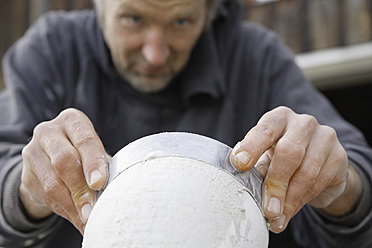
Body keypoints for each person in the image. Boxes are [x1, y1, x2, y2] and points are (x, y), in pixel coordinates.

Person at [0, 0, 371, 247]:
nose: (155, 52)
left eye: (181, 21)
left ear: (211, 11)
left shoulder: (256, 58)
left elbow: (354, 172)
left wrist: (340, 187)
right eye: (134, 19)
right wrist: (26, 189)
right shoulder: (51, 49)